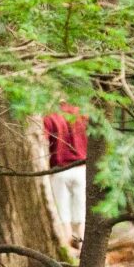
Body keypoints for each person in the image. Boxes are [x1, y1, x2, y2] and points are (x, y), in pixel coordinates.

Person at [41, 102, 88, 242]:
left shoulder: (49, 117)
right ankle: (81, 246)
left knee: (63, 213)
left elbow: (43, 141)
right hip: (82, 168)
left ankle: (67, 244)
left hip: (60, 170)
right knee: (81, 211)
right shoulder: (83, 115)